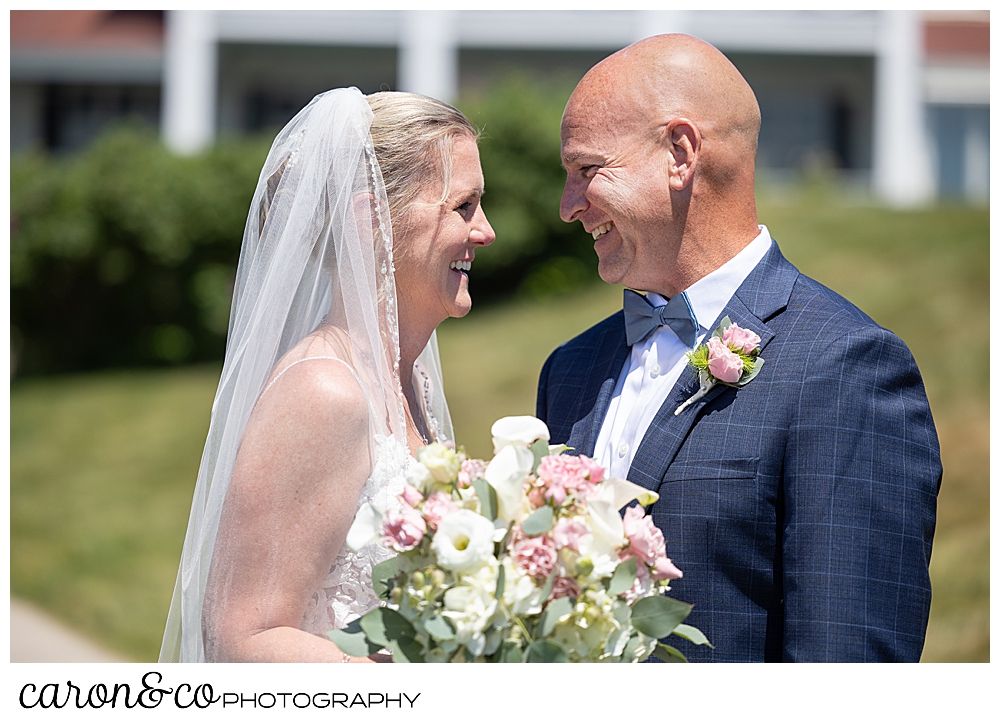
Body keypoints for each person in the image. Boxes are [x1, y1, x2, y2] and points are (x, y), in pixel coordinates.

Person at [536, 35, 941, 662]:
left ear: (680, 153)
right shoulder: (569, 370)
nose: (568, 207)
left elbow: (849, 663)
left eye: (587, 171)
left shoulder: (843, 367)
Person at [159, 88, 495, 662]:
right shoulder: (326, 391)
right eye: (463, 206)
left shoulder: (414, 384)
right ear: (371, 220)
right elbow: (241, 639)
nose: (486, 232)